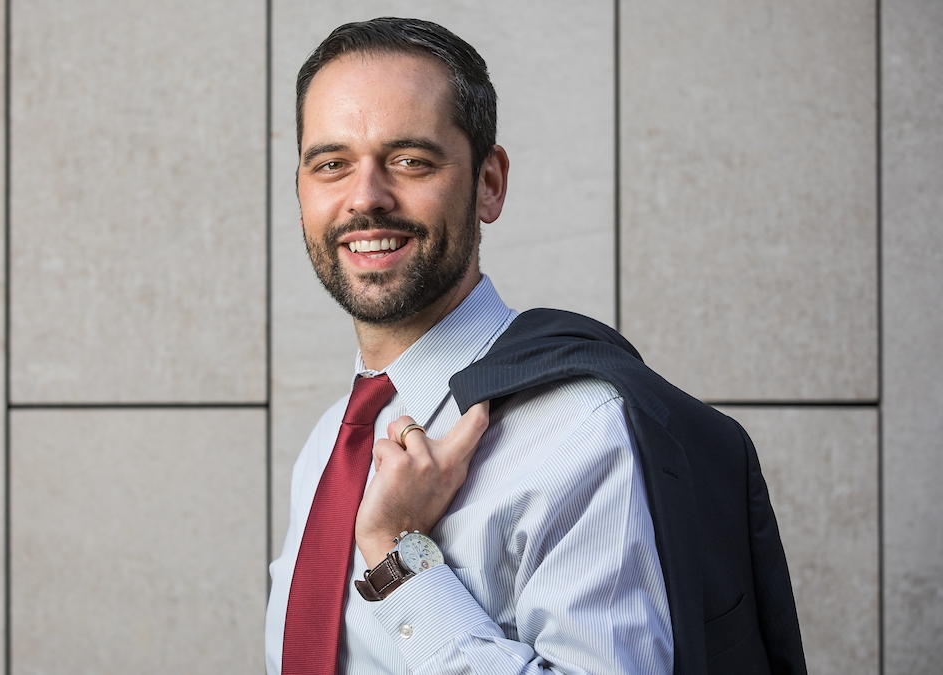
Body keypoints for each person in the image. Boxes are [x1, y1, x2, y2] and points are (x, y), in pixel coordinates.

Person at [265, 17, 805, 675]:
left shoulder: (582, 433)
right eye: (331, 165)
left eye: (410, 160)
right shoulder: (329, 442)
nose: (365, 198)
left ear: (489, 183)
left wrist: (398, 557)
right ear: (301, 192)